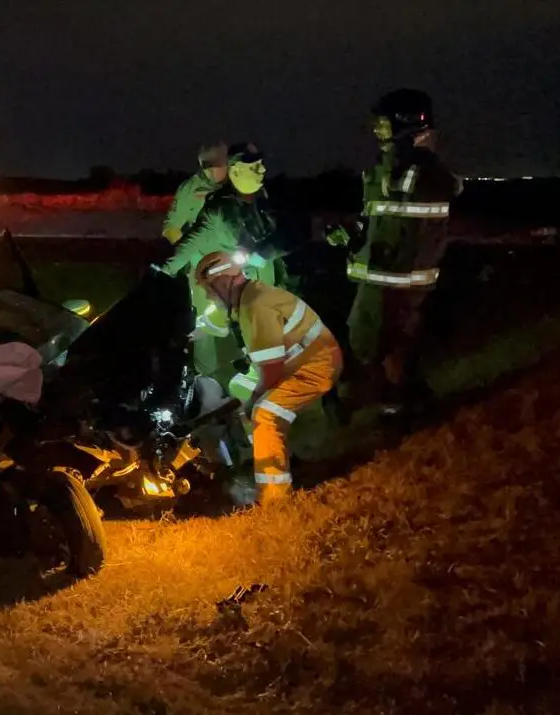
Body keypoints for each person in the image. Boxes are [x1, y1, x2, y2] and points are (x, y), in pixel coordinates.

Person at [327, 88, 462, 415]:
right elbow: (382, 222)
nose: (377, 132)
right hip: (393, 277)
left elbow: (409, 218)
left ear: (404, 124)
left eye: (383, 125)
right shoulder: (397, 171)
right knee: (391, 346)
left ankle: (398, 408)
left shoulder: (413, 171)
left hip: (392, 280)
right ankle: (405, 403)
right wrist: (352, 236)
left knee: (373, 345)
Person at [194, 251, 343, 504]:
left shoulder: (254, 306)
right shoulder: (249, 296)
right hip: (302, 361)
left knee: (265, 413)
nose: (209, 296)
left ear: (222, 282)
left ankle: (274, 498)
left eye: (209, 289)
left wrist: (255, 400)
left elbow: (271, 371)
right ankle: (269, 459)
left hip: (313, 366)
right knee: (242, 391)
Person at [159, 143, 285, 394]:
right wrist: (189, 263)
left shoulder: (248, 194)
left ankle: (257, 373)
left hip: (238, 267)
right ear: (210, 168)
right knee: (205, 324)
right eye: (224, 167)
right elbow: (173, 229)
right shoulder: (192, 190)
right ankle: (207, 379)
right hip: (207, 269)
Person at [162, 142, 229, 244]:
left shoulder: (238, 182)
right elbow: (171, 227)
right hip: (200, 247)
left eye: (219, 166)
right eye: (209, 167)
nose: (214, 172)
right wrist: (184, 249)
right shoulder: (190, 189)